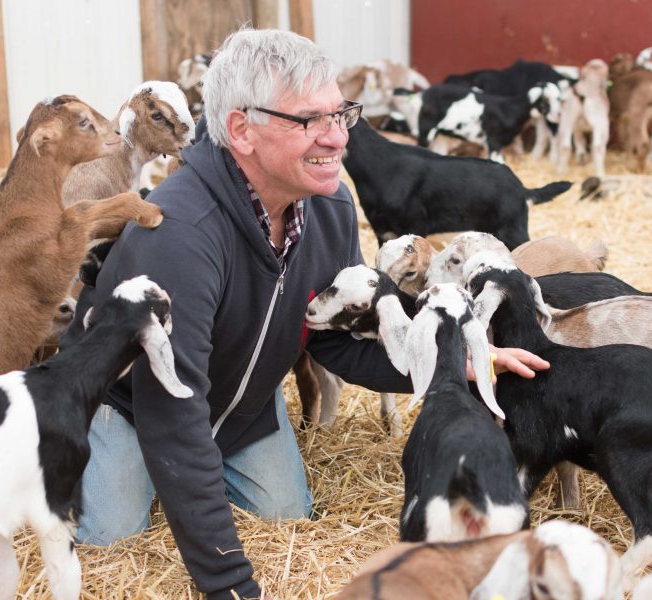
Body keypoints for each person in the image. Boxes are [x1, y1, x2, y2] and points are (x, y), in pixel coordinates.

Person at [62, 28, 549, 600]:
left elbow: (334, 337)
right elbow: (173, 413)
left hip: (242, 402)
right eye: (310, 120)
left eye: (340, 113)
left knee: (288, 520)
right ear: (242, 129)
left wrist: (448, 361)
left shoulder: (330, 206)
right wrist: (231, 586)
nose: (338, 136)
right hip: (134, 404)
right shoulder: (181, 233)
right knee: (111, 546)